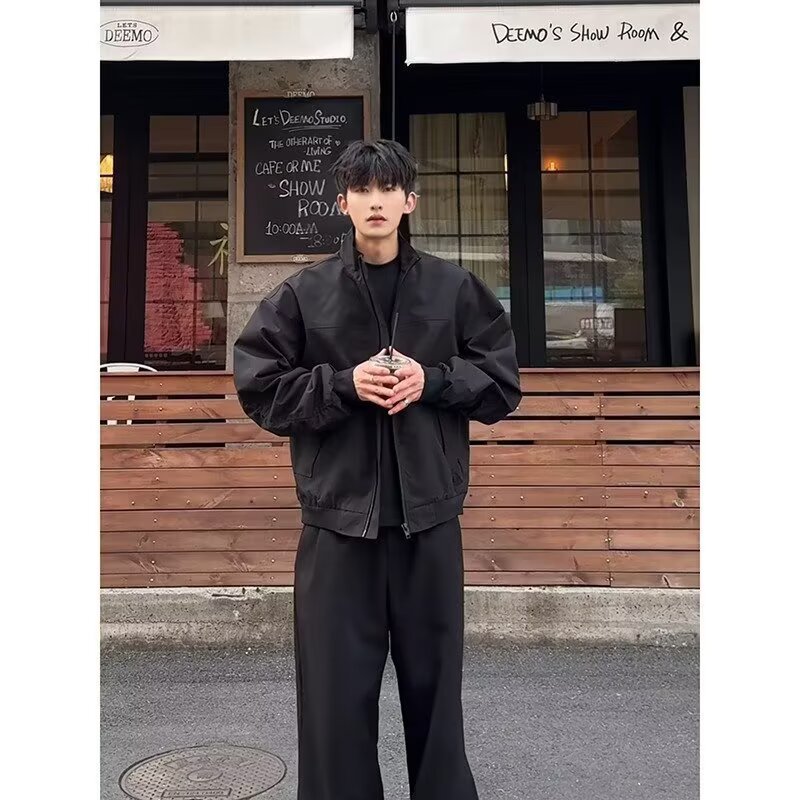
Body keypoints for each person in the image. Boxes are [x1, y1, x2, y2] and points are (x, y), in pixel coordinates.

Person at [233, 139, 521, 800]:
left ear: (409, 201)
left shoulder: (454, 289)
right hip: (338, 531)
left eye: (388, 188)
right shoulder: (303, 295)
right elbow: (260, 388)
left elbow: (502, 383)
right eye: (361, 189)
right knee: (334, 703)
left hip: (430, 527)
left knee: (437, 699)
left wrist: (434, 380)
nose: (375, 201)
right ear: (343, 203)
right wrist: (343, 384)